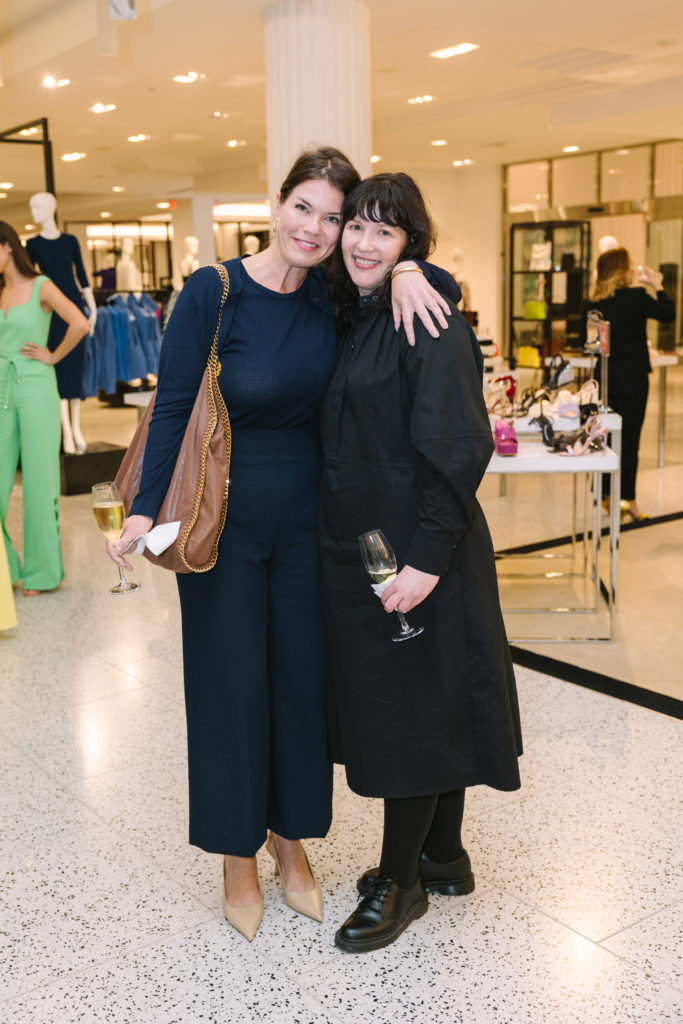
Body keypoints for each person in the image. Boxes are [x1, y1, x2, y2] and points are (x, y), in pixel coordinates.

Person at [106, 147, 455, 943]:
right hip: (222, 520)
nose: (319, 229)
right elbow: (173, 405)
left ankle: (288, 839)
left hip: (316, 523)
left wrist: (411, 272)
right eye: (306, 208)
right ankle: (236, 853)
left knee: (300, 685)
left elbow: (439, 294)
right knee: (231, 688)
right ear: (275, 203)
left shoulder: (337, 294)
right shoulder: (214, 290)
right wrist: (140, 508)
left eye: (335, 218)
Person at [319, 172, 523, 954]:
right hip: (377, 546)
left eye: (387, 232)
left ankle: (398, 881)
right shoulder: (361, 311)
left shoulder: (426, 318)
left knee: (409, 713)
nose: (366, 243)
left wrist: (428, 560)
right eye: (357, 227)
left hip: (420, 550)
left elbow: (459, 443)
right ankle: (444, 855)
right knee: (428, 699)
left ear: (412, 242)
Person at [0, 221, 89, 595]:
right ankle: (8, 567)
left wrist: (52, 355)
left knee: (39, 486)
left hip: (36, 388)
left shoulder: (41, 285)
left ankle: (41, 574)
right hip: (2, 391)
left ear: (6, 247)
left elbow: (80, 322)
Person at [582, 247, 675, 521]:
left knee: (604, 437)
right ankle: (628, 500)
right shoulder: (636, 297)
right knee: (630, 440)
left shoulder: (593, 303)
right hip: (633, 380)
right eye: (629, 264)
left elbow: (588, 344)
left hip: (606, 380)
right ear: (621, 270)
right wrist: (657, 285)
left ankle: (607, 497)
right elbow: (668, 313)